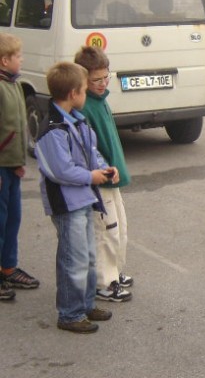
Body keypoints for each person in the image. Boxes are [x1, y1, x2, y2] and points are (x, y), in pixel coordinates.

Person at [34, 61, 117, 333]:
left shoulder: (78, 121)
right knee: (74, 258)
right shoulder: (52, 130)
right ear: (73, 94)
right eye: (84, 89)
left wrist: (104, 168)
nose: (86, 94)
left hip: (83, 199)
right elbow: (61, 171)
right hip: (67, 203)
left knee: (89, 256)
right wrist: (91, 177)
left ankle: (85, 304)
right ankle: (70, 314)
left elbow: (91, 151)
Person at [75, 46, 133, 303]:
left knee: (120, 226)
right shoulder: (85, 107)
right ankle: (103, 282)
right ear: (83, 80)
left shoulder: (101, 101)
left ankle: (115, 272)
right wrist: (104, 170)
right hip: (101, 178)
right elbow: (89, 148)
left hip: (113, 177)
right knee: (106, 230)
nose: (102, 83)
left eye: (106, 77)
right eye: (96, 80)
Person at [0, 32, 39, 300]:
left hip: (12, 166)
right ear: (4, 60)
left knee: (13, 220)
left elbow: (17, 127)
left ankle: (8, 268)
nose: (22, 59)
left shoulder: (14, 84)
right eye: (18, 56)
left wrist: (19, 163)